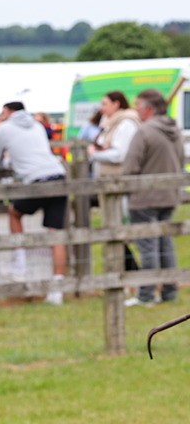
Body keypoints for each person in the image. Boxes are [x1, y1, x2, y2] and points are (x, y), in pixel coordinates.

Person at [0, 101, 68, 304]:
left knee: (14, 212)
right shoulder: (37, 124)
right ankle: (57, 290)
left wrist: (10, 162)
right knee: (55, 232)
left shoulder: (4, 128)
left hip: (37, 180)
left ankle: (20, 263)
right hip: (58, 175)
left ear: (8, 112)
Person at [122, 89, 185, 306]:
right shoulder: (174, 130)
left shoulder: (144, 132)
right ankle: (169, 291)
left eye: (138, 105)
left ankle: (146, 294)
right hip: (169, 195)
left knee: (148, 247)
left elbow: (130, 167)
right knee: (165, 245)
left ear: (148, 108)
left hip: (145, 197)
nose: (136, 109)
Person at [87, 91, 139, 177]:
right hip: (107, 179)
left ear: (116, 104)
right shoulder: (110, 123)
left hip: (117, 181)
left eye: (104, 104)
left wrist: (94, 154)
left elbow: (120, 155)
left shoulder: (126, 124)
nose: (101, 108)